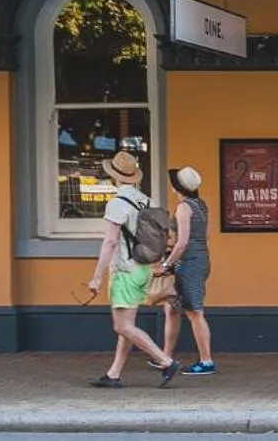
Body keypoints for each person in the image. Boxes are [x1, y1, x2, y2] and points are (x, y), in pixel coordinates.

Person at [84, 150, 178, 388]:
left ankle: (165, 361)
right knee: (128, 327)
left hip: (125, 270)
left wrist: (96, 277)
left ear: (115, 177)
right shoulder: (147, 201)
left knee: (122, 326)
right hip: (144, 269)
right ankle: (114, 374)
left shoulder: (117, 204)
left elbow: (110, 242)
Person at [160, 166, 215, 374]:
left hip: (188, 262)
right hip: (201, 258)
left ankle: (206, 361)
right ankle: (165, 357)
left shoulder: (183, 208)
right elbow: (206, 235)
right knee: (172, 308)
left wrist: (166, 264)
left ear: (177, 187)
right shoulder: (202, 206)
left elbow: (181, 243)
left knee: (194, 312)